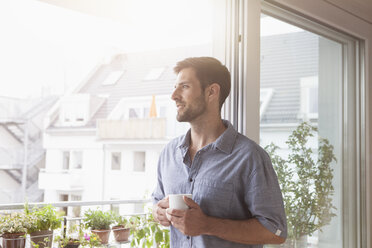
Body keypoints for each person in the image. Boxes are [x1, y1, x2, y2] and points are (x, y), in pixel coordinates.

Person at [152, 57, 287, 248]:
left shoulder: (250, 157)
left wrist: (207, 225)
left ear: (212, 92)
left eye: (184, 86)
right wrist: (157, 211)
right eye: (175, 87)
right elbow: (157, 200)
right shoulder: (168, 154)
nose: (173, 95)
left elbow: (275, 231)